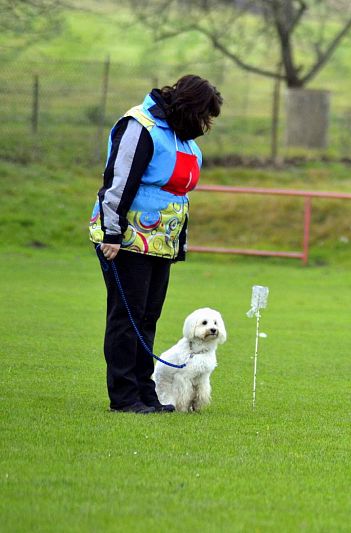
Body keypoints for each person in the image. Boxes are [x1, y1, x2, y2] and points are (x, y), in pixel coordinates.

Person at [89, 75, 223, 414]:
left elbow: (177, 195)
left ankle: (144, 391)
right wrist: (112, 233)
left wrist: (178, 242)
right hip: (127, 239)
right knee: (127, 317)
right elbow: (118, 181)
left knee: (147, 318)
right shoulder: (140, 126)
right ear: (189, 109)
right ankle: (123, 396)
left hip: (160, 243)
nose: (206, 126)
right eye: (204, 117)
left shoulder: (181, 137)